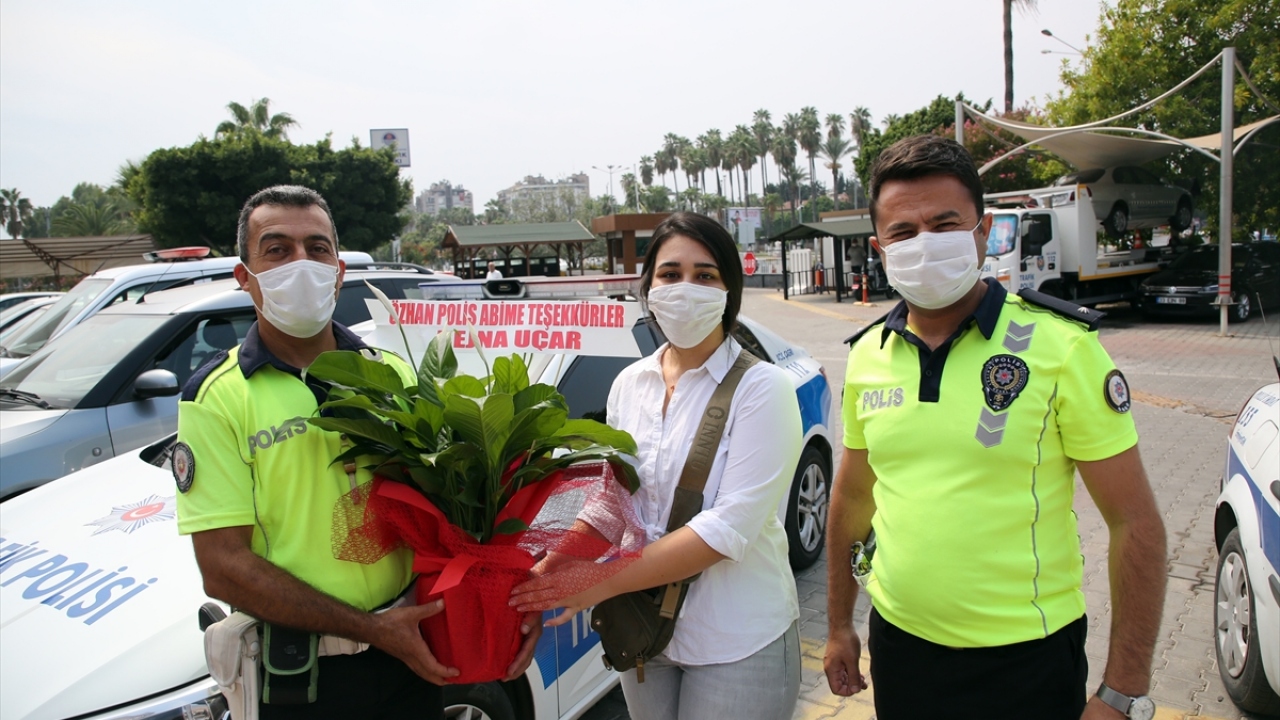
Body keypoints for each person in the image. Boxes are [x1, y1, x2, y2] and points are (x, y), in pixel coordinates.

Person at [823, 136, 1167, 720]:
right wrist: (838, 624)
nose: (924, 243)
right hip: (902, 649)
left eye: (944, 223)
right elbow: (854, 497)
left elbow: (1135, 523)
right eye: (904, 233)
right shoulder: (868, 354)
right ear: (880, 248)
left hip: (1026, 663)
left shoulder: (1061, 347)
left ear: (982, 233)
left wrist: (1122, 691)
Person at [174, 185, 540, 719]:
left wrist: (504, 599)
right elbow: (224, 567)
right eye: (277, 250)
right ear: (243, 275)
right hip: (305, 680)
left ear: (338, 270)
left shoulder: (387, 373)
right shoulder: (217, 397)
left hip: (412, 655)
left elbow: (448, 515)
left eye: (317, 248)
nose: (301, 263)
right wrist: (371, 629)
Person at [511, 211, 803, 720]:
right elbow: (615, 501)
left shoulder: (763, 389)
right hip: (645, 629)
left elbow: (726, 528)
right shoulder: (630, 383)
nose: (685, 288)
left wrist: (597, 586)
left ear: (729, 291)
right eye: (670, 274)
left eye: (705, 275)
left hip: (737, 636)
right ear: (648, 287)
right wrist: (546, 579)